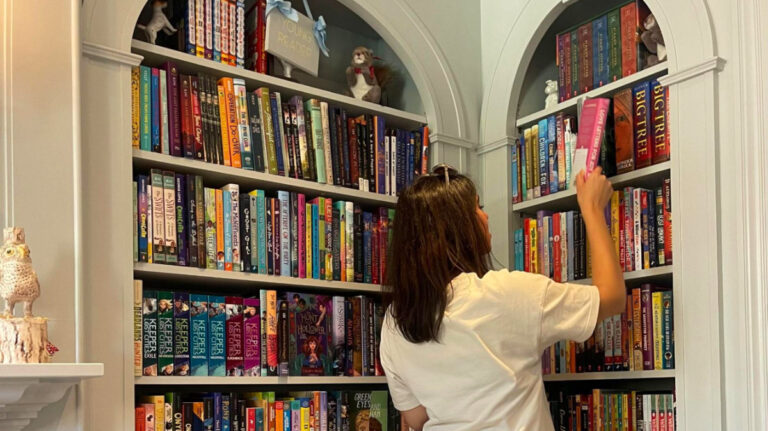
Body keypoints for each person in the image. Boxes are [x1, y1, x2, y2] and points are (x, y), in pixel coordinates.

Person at [380, 165, 625, 431]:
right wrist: (591, 208)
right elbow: (611, 297)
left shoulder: (395, 320)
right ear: (456, 227)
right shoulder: (506, 292)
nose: (485, 216)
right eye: (477, 207)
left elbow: (415, 419)